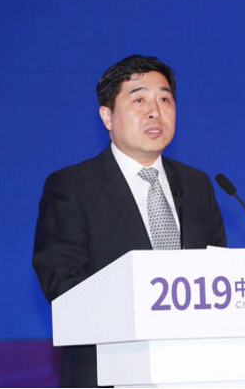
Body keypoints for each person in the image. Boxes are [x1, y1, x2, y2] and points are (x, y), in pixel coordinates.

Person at [33, 54, 227, 387]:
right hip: (110, 370)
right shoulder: (73, 187)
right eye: (139, 100)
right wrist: (146, 315)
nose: (155, 111)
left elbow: (218, 274)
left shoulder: (198, 184)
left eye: (165, 99)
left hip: (193, 371)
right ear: (107, 116)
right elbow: (63, 285)